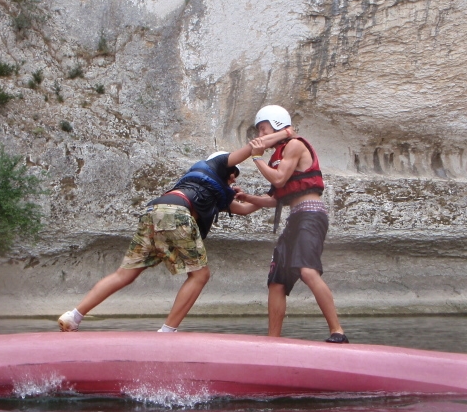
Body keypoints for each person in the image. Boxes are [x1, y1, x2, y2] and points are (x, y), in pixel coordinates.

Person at [58, 129, 292, 333]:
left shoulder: (215, 193)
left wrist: (276, 195)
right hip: (177, 214)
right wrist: (285, 134)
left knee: (124, 274)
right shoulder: (218, 163)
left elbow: (246, 209)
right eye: (232, 174)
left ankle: (73, 316)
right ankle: (167, 332)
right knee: (200, 275)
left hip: (154, 212)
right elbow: (252, 148)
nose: (232, 179)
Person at [234, 105, 348, 343]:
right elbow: (273, 199)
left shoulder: (294, 145)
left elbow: (279, 178)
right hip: (295, 218)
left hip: (311, 215)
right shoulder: (278, 156)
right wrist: (246, 198)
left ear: (277, 125)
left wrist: (256, 158)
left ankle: (338, 332)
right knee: (276, 281)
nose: (260, 136)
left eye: (263, 129)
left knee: (307, 271)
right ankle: (272, 340)